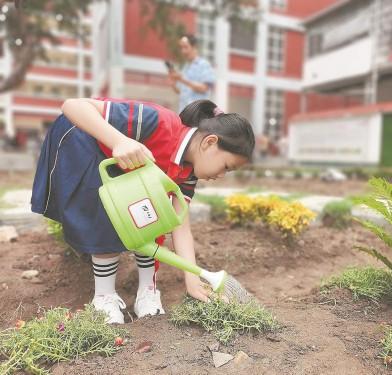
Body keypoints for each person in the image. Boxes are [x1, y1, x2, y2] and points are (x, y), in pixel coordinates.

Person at [31, 98, 255, 324]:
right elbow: (72, 106)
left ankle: (147, 290)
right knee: (106, 212)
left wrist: (192, 277)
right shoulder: (159, 123)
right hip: (84, 140)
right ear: (209, 142)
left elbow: (179, 224)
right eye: (226, 166)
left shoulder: (188, 173)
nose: (221, 175)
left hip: (118, 164)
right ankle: (104, 296)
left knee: (154, 215)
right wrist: (119, 140)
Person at [166, 34, 215, 112]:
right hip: (184, 113)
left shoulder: (204, 65)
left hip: (198, 114)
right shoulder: (185, 67)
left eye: (185, 47)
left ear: (194, 47)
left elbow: (204, 88)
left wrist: (182, 79)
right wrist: (173, 84)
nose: (183, 51)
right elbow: (181, 92)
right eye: (181, 47)